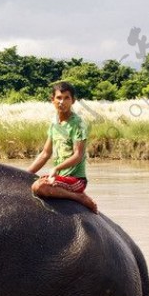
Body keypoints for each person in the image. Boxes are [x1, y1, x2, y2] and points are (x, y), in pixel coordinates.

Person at [28, 81, 97, 212]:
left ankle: (78, 197)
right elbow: (45, 154)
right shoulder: (54, 123)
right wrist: (25, 173)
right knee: (33, 182)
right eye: (59, 98)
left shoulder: (78, 124)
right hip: (60, 179)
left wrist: (56, 168)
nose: (62, 102)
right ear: (52, 100)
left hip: (75, 179)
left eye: (67, 98)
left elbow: (78, 155)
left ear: (73, 101)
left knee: (38, 187)